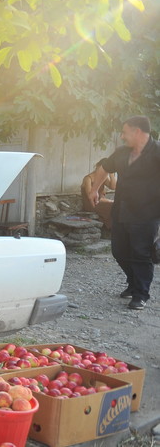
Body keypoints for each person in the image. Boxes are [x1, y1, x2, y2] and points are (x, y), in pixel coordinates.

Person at [89, 115, 159, 310]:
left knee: (141, 253)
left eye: (125, 132)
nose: (122, 136)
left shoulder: (157, 152)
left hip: (148, 213)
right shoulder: (121, 152)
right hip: (121, 210)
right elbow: (104, 167)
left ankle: (140, 294)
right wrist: (94, 189)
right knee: (119, 251)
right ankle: (133, 281)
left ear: (137, 132)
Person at [80, 162, 116, 229]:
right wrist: (107, 201)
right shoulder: (88, 178)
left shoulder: (104, 178)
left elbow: (113, 187)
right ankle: (111, 227)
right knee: (112, 205)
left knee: (117, 205)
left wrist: (111, 174)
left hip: (101, 201)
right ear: (97, 166)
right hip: (92, 203)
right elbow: (89, 196)